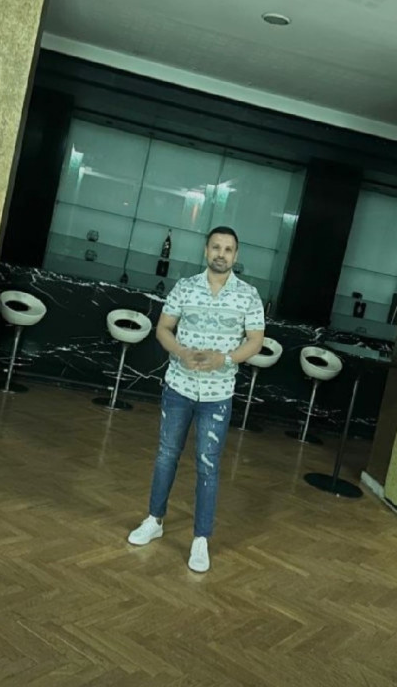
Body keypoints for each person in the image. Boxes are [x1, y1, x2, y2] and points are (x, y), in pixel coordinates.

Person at [128, 226, 265, 572]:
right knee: (166, 455)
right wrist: (181, 352)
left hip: (218, 395)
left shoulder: (249, 295)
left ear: (235, 255)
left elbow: (255, 341)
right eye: (216, 247)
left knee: (208, 465)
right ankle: (154, 520)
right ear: (206, 251)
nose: (221, 254)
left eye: (228, 249)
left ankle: (201, 539)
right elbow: (163, 328)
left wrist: (225, 359)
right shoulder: (185, 286)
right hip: (179, 386)